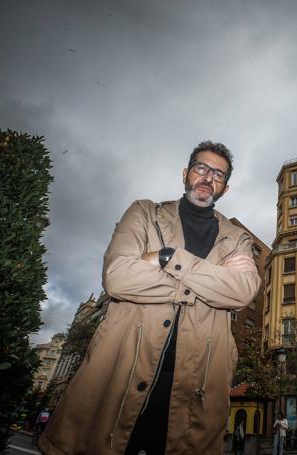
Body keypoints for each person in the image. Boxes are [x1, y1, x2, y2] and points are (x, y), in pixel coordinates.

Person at [38, 141, 261, 454]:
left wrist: (169, 258)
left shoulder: (237, 238)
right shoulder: (144, 213)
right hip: (119, 375)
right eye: (201, 168)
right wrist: (210, 285)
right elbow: (118, 277)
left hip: (194, 391)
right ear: (186, 173)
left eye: (218, 175)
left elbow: (242, 291)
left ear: (226, 188)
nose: (208, 177)